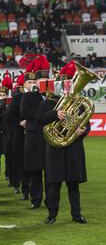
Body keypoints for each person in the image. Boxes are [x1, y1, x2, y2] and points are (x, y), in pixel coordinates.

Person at [36, 61, 89, 224]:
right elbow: (39, 119)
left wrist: (83, 131)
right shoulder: (48, 103)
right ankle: (52, 215)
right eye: (64, 82)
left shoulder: (79, 102)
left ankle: (76, 214)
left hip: (73, 146)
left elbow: (87, 123)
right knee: (54, 184)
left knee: (74, 184)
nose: (67, 86)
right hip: (54, 148)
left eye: (69, 82)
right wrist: (55, 114)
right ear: (58, 84)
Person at [20, 55, 50, 209]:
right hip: (34, 135)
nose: (43, 83)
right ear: (37, 83)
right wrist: (44, 113)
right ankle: (36, 199)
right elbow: (24, 113)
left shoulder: (55, 96)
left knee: (51, 170)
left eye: (46, 80)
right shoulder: (29, 95)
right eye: (40, 81)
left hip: (50, 135)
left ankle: (50, 200)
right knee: (35, 170)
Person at [4, 73, 30, 199]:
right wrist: (20, 122)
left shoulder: (39, 97)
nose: (31, 85)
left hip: (34, 135)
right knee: (20, 162)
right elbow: (9, 115)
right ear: (24, 84)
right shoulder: (18, 97)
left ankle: (34, 192)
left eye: (33, 82)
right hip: (20, 134)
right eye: (29, 82)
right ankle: (23, 189)